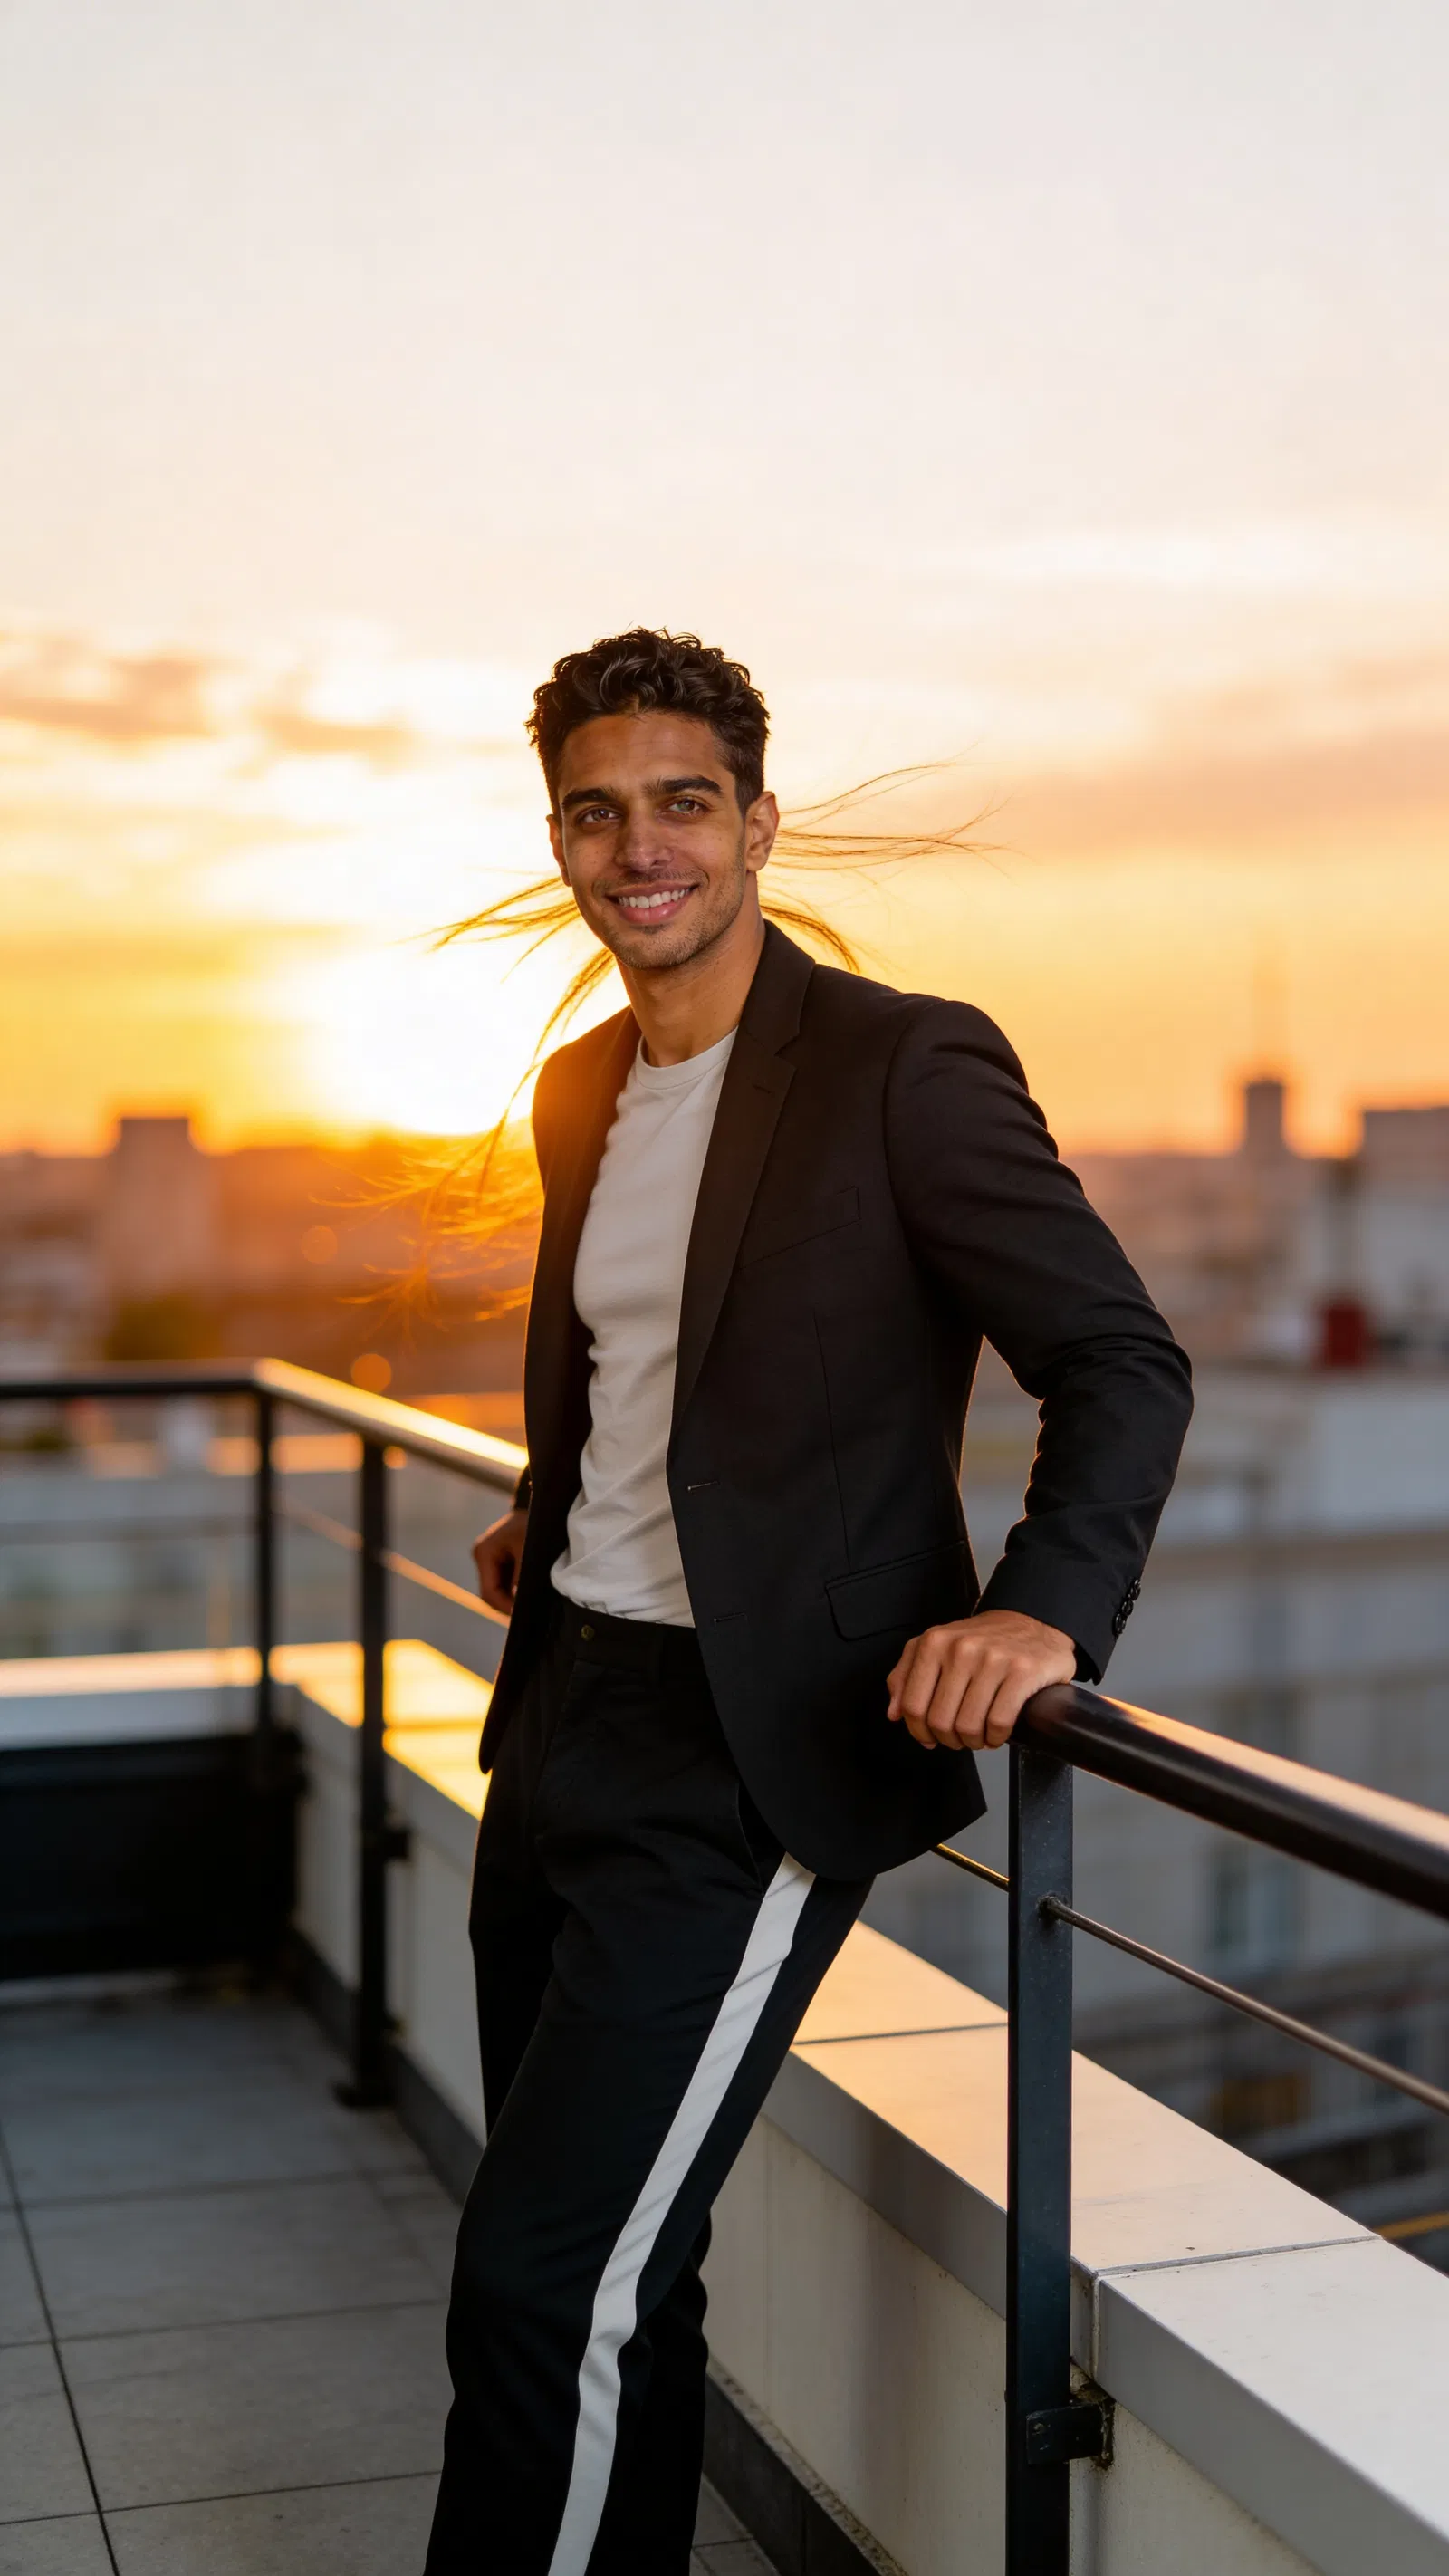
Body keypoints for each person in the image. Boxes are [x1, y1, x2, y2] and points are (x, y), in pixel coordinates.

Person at [425, 630, 1193, 2575]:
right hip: (564, 1710)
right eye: (593, 812)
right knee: (614, 2268)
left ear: (758, 823)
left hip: (747, 1756)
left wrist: (1040, 1615)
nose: (638, 846)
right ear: (558, 840)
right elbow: (631, 1373)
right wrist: (556, 1508)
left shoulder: (899, 1064)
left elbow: (1117, 1361)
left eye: (682, 801)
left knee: (539, 2288)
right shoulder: (581, 1083)